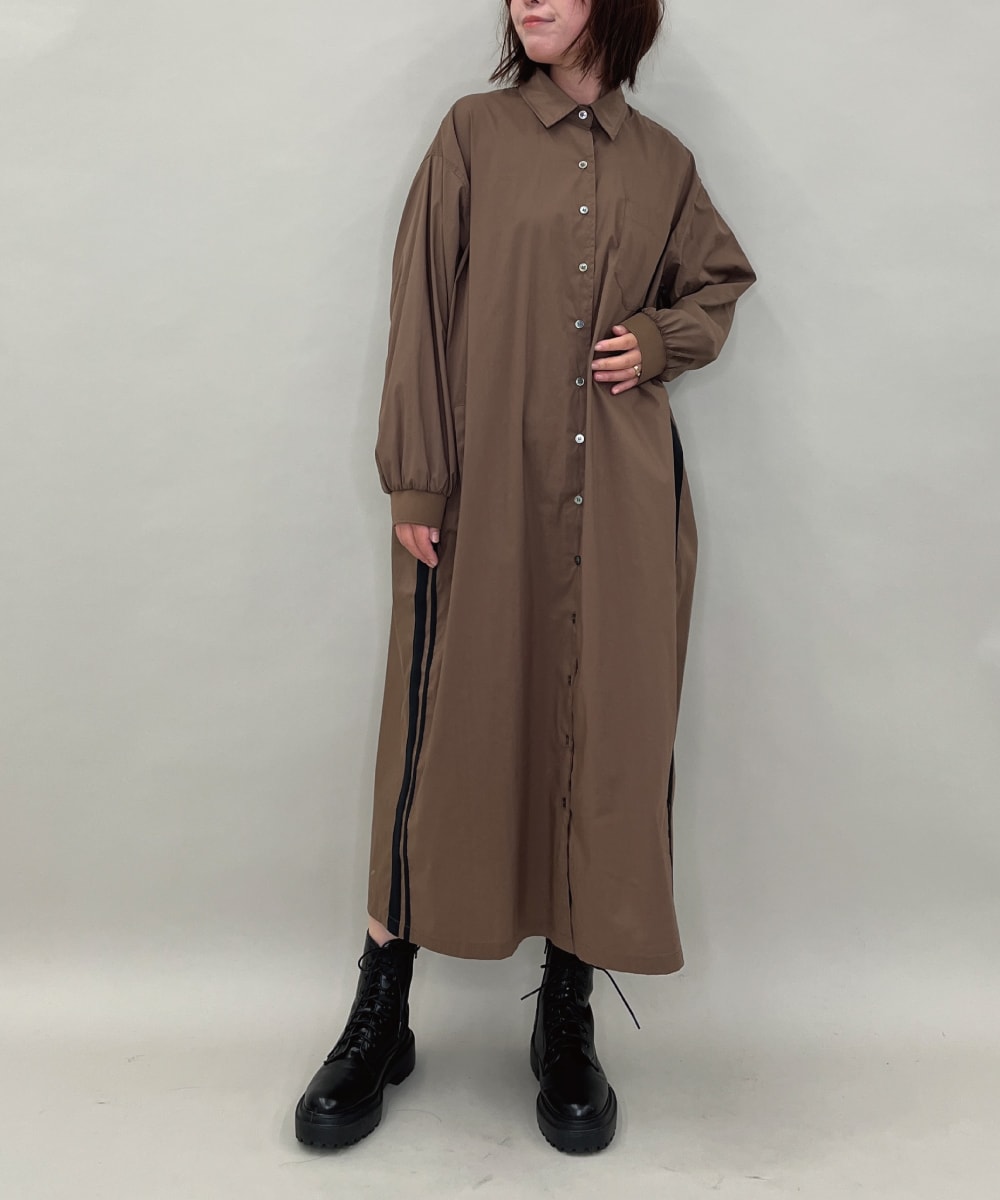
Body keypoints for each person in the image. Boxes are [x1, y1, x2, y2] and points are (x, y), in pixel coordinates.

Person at [294, 0, 756, 1155]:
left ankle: (565, 1014)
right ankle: (380, 1012)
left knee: (599, 741)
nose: (527, 0)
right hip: (484, 498)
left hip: (622, 510)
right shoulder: (474, 135)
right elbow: (422, 306)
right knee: (438, 735)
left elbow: (718, 284)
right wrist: (417, 479)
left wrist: (658, 341)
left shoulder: (663, 163)